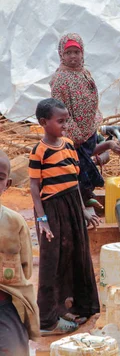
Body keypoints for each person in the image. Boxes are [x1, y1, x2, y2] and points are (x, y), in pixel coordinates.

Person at [28, 98, 100, 335]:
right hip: (52, 210)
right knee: (51, 262)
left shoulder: (68, 145)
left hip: (71, 207)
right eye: (60, 121)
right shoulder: (39, 151)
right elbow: (34, 189)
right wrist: (42, 221)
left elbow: (75, 184)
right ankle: (47, 321)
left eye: (66, 121)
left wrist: (83, 211)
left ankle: (70, 306)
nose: (65, 126)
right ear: (43, 122)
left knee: (74, 256)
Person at [50, 33, 120, 206]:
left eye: (77, 52)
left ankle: (86, 198)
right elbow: (59, 110)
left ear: (82, 53)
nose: (73, 56)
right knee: (77, 168)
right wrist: (75, 134)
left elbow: (92, 98)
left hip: (89, 129)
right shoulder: (60, 79)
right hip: (73, 134)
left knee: (85, 165)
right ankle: (81, 203)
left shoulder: (85, 73)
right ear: (61, 54)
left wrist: (91, 123)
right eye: (69, 53)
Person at [0, 149, 40, 353]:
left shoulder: (15, 223)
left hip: (4, 306)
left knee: (13, 348)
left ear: (8, 184)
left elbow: (25, 269)